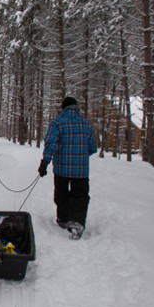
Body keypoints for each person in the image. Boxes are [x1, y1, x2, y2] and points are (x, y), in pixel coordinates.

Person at [37, 96, 97, 239]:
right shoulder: (86, 124)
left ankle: (63, 219)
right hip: (81, 170)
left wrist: (45, 162)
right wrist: (81, 155)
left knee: (61, 193)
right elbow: (93, 147)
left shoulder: (58, 123)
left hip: (61, 168)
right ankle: (77, 221)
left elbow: (51, 144)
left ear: (63, 108)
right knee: (80, 195)